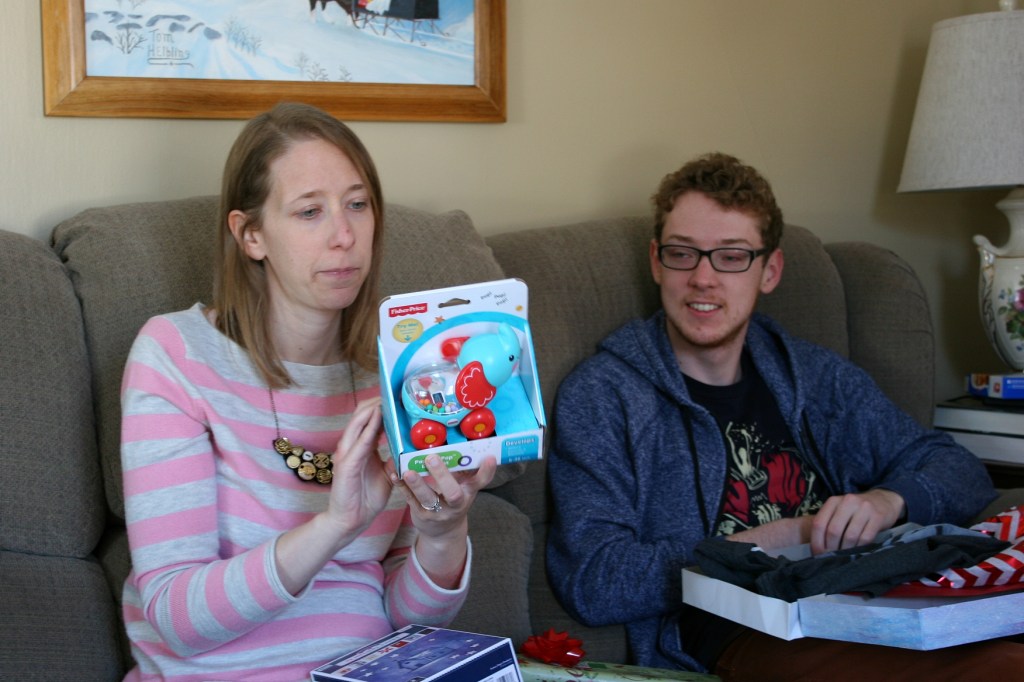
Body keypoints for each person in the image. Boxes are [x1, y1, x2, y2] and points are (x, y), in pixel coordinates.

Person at [545, 152, 1024, 679]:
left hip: (862, 599)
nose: (703, 279)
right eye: (684, 254)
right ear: (658, 262)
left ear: (769, 270)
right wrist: (780, 537)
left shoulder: (815, 377)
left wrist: (887, 501)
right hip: (742, 629)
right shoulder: (604, 396)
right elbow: (595, 579)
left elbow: (957, 470)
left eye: (731, 257)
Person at [119, 102, 497, 681]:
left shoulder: (397, 375)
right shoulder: (177, 355)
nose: (344, 236)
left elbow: (408, 622)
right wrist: (334, 525)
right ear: (250, 236)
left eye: (357, 205)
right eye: (309, 212)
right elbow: (175, 617)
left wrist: (443, 532)